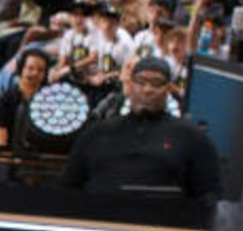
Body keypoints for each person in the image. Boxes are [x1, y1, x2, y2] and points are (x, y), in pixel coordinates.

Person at [60, 54, 222, 199]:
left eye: (157, 83)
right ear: (130, 85)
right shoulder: (96, 133)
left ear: (168, 89)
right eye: (141, 82)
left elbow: (209, 197)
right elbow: (67, 188)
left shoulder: (192, 138)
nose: (148, 89)